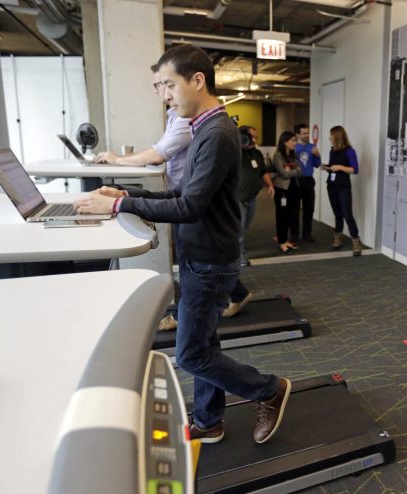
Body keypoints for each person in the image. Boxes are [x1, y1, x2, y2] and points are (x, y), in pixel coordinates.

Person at [74, 44, 291, 445]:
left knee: (191, 354)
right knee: (205, 343)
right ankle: (209, 420)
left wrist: (120, 204)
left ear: (198, 80)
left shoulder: (217, 134)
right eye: (159, 87)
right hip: (200, 256)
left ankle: (268, 390)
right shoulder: (203, 128)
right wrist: (125, 193)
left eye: (169, 85)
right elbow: (182, 192)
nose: (165, 97)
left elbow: (189, 207)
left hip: (210, 261)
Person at [95, 65, 191, 190]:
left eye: (158, 85)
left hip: (182, 194)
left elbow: (157, 156)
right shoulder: (174, 114)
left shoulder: (185, 118)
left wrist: (117, 159)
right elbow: (157, 150)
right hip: (175, 191)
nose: (156, 91)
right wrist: (119, 158)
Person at [324, 125, 364, 256]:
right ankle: (338, 238)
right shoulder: (332, 151)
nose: (329, 138)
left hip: (343, 186)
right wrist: (327, 167)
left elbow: (355, 169)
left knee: (347, 214)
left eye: (331, 135)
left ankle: (356, 240)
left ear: (337, 136)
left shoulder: (349, 151)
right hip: (331, 185)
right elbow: (333, 167)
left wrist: (340, 167)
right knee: (337, 213)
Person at [237, 125, 274, 266]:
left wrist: (270, 185)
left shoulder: (256, 153)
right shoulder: (234, 152)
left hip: (252, 195)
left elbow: (263, 171)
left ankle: (234, 247)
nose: (255, 139)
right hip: (238, 197)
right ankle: (239, 257)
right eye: (252, 136)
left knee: (245, 224)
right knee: (239, 228)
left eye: (256, 137)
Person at [272, 131, 301, 254]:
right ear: (285, 142)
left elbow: (299, 170)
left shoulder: (293, 155)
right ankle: (282, 242)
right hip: (282, 189)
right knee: (282, 216)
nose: (295, 143)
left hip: (294, 188)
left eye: (295, 140)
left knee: (291, 215)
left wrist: (292, 170)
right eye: (293, 140)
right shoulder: (278, 155)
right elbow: (284, 174)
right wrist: (295, 170)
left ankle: (285, 239)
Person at [293, 123, 321, 242]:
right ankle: (294, 235)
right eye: (304, 133)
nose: (307, 135)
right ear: (297, 135)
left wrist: (317, 155)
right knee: (294, 210)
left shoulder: (312, 147)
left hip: (309, 180)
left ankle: (307, 234)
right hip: (295, 180)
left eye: (308, 133)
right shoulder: (293, 147)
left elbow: (317, 164)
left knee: (309, 210)